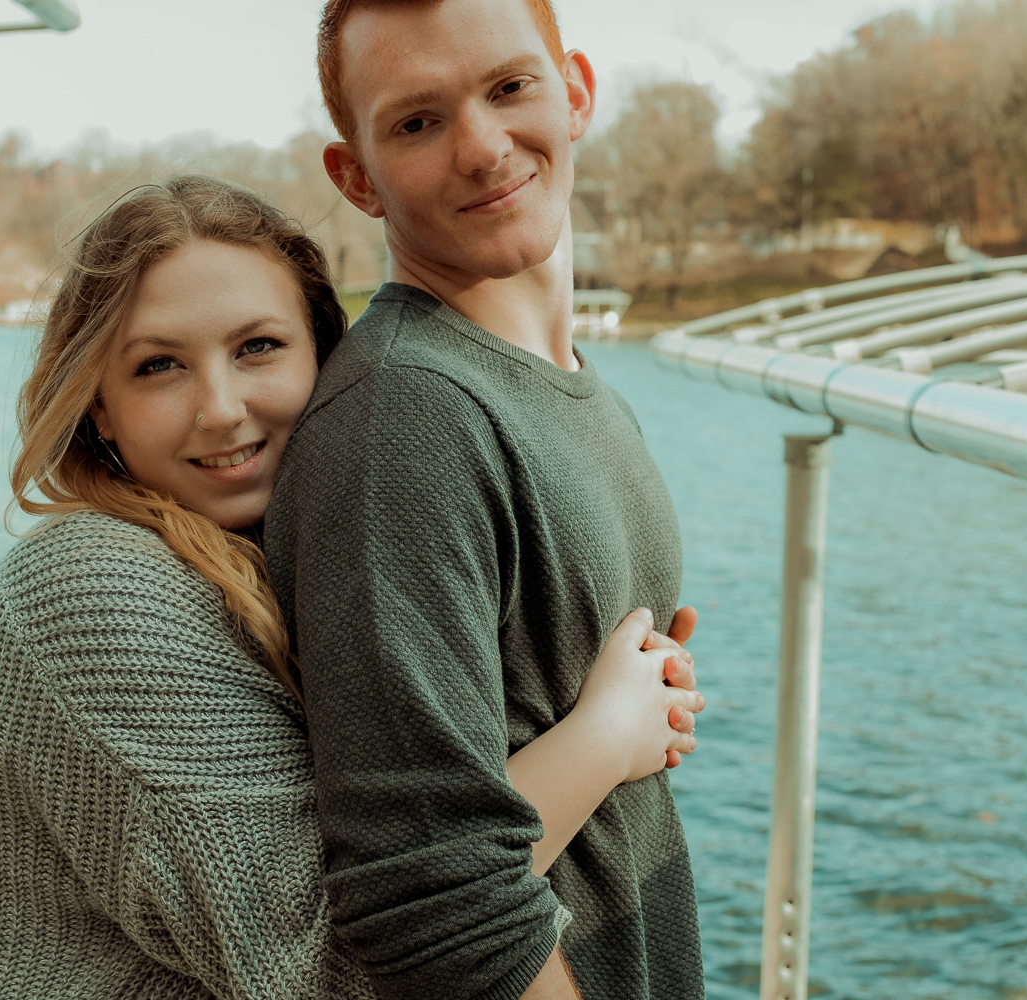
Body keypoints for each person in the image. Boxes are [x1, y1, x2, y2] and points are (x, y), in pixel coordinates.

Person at [0, 174, 702, 999]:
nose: (220, 409)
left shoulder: (296, 554)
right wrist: (606, 735)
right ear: (100, 407)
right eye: (158, 366)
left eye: (257, 347)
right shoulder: (86, 587)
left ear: (327, 357)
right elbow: (339, 964)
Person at [262, 1, 707, 998]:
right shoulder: (403, 418)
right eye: (417, 122)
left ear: (576, 92)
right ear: (356, 178)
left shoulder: (568, 387)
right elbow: (431, 904)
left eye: (511, 87)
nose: (482, 146)